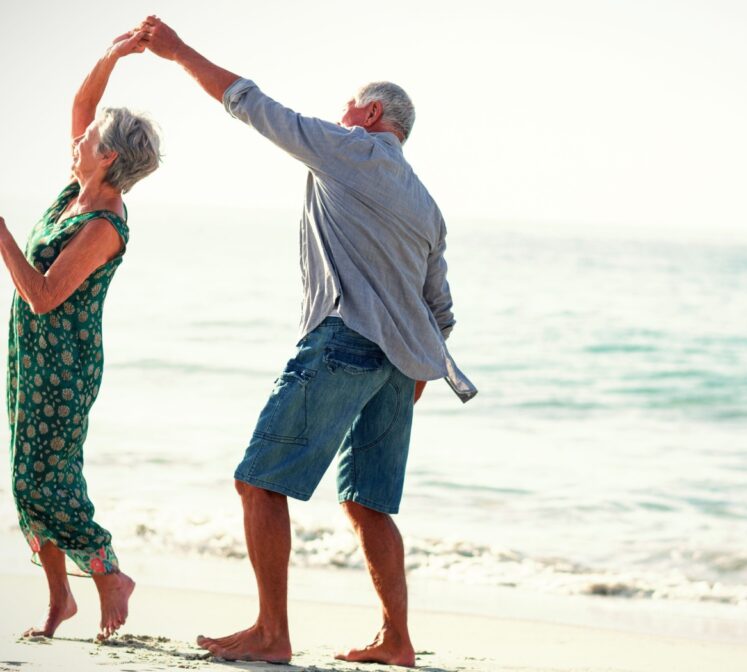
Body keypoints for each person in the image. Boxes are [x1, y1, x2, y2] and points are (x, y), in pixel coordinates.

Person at [140, 16, 460, 667]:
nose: (339, 113)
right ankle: (397, 641)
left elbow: (251, 104)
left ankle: (270, 633)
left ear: (370, 113)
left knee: (259, 484)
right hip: (403, 365)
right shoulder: (425, 201)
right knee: (367, 502)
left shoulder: (350, 148)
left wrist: (176, 51)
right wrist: (419, 370)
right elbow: (440, 307)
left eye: (348, 105)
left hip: (346, 343)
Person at [0, 30, 161, 641]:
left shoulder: (104, 224)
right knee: (25, 473)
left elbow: (42, 297)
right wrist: (113, 57)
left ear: (110, 159)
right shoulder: (77, 188)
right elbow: (80, 107)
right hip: (28, 356)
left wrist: (2, 234)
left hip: (63, 365)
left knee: (49, 479)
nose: (78, 141)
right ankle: (60, 600)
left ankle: (108, 572)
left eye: (89, 142)